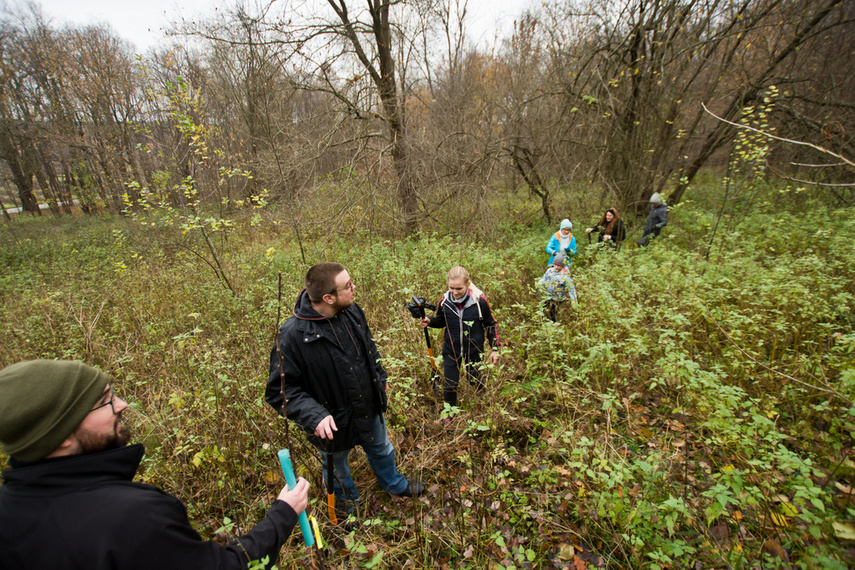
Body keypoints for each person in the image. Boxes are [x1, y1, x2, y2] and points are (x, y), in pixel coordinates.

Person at [0, 359, 309, 570]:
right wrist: (283, 514)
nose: (122, 405)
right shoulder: (133, 517)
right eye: (105, 401)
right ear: (61, 436)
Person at [266, 262, 424, 515]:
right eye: (347, 286)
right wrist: (315, 415)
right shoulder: (292, 336)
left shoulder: (352, 311)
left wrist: (380, 376)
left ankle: (393, 483)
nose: (354, 288)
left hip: (368, 405)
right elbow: (280, 391)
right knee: (337, 467)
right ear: (328, 297)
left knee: (382, 448)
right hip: (332, 424)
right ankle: (348, 505)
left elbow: (369, 347)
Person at [419, 266, 499, 421]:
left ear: (468, 285)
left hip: (473, 349)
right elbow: (441, 321)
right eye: (451, 288)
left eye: (459, 289)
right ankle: (449, 414)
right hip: (451, 349)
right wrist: (429, 321)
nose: (455, 293)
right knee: (450, 383)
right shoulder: (444, 301)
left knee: (473, 378)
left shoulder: (479, 301)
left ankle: (482, 398)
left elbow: (491, 324)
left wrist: (494, 348)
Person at [538, 253, 578, 321]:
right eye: (555, 265)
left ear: (562, 266)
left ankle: (555, 323)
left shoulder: (565, 276)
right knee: (544, 308)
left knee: (555, 312)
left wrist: (573, 299)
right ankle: (545, 320)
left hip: (558, 298)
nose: (556, 267)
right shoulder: (550, 271)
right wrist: (540, 282)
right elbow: (544, 278)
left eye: (559, 266)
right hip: (548, 295)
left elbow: (571, 288)